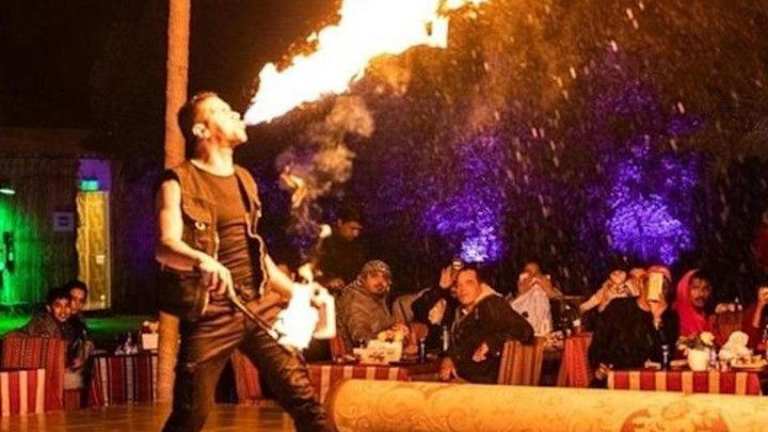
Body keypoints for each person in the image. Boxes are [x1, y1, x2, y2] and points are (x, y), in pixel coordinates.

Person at [156, 92, 328, 432]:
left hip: (258, 307)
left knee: (305, 401)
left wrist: (295, 292)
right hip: (212, 313)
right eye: (222, 110)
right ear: (201, 130)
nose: (235, 112)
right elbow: (165, 246)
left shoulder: (244, 180)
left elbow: (257, 254)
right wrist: (202, 261)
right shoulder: (176, 181)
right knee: (190, 416)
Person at [439, 266, 534, 384]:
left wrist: (492, 343)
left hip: (484, 387)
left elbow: (525, 330)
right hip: (463, 381)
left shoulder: (491, 305)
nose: (462, 289)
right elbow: (460, 346)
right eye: (459, 285)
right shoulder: (464, 313)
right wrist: (449, 358)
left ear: (481, 286)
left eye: (469, 283)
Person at [336, 260, 408, 351]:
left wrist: (396, 329)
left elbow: (380, 327)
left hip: (377, 352)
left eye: (385, 277)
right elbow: (360, 338)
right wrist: (387, 336)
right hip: (357, 356)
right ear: (363, 279)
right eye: (374, 276)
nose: (380, 281)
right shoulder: (355, 300)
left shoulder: (376, 298)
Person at [315, 206, 367, 293]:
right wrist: (327, 281)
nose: (356, 234)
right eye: (352, 228)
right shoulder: (324, 242)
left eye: (358, 230)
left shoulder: (357, 247)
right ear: (340, 223)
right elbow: (313, 270)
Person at [509, 265, 553, 336]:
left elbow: (559, 299)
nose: (533, 276)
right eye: (528, 272)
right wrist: (522, 292)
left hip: (546, 335)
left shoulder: (543, 290)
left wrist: (548, 290)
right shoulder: (512, 301)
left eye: (537, 272)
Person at [741, 282, 768, 349]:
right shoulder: (752, 310)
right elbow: (750, 340)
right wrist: (760, 307)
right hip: (757, 350)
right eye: (764, 294)